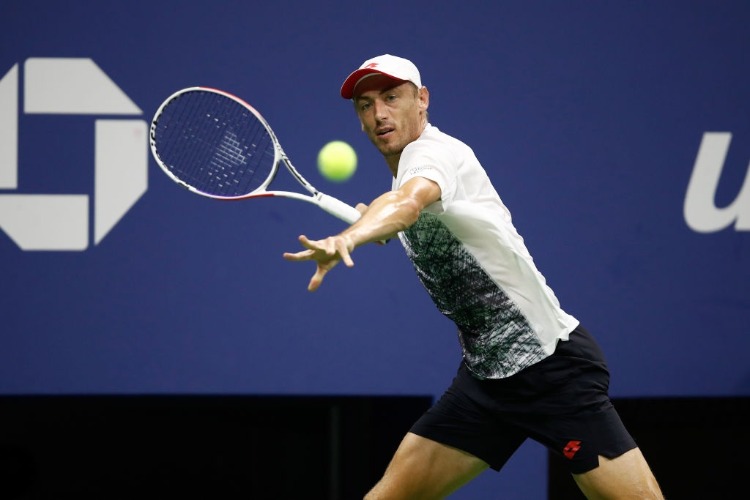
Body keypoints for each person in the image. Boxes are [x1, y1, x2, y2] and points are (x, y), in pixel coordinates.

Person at [283, 54, 664, 499]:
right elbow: (398, 211)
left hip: (549, 368)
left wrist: (349, 237)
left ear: (422, 100)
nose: (379, 113)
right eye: (366, 105)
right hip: (487, 379)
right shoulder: (406, 176)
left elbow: (406, 206)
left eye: (391, 97)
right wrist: (369, 225)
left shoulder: (435, 154)